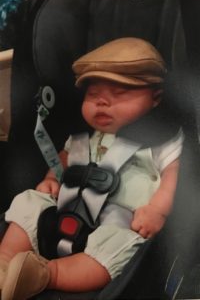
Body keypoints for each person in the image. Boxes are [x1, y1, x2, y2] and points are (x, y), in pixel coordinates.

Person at [0, 37, 183, 300]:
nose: (102, 102)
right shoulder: (82, 137)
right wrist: (52, 179)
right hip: (66, 208)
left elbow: (174, 175)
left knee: (121, 245)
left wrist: (157, 210)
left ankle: (45, 274)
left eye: (120, 93)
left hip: (121, 222)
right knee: (28, 201)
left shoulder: (161, 143)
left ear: (156, 99)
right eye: (93, 94)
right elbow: (63, 159)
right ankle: (5, 262)